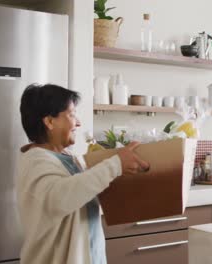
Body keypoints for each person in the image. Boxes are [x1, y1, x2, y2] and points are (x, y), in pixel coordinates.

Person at [16, 84, 148, 264]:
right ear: (50, 122)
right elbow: (62, 197)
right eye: (71, 114)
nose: (78, 122)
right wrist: (115, 164)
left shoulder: (68, 157)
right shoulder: (35, 162)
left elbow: (84, 193)